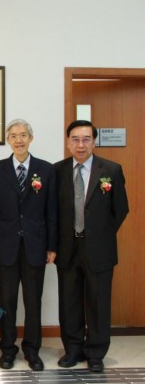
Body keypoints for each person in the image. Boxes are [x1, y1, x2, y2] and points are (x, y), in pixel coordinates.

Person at [55, 120, 129, 372]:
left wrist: (99, 233)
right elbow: (53, 212)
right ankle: (73, 349)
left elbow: (120, 210)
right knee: (69, 300)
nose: (80, 144)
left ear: (94, 142)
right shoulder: (58, 171)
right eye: (75, 139)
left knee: (98, 301)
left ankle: (96, 352)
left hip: (99, 248)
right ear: (67, 142)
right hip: (67, 247)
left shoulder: (111, 170)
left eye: (86, 139)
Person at [0, 120, 57, 371]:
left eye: (23, 135)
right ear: (8, 140)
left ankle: (32, 349)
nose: (19, 140)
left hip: (36, 246)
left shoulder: (46, 170)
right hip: (5, 246)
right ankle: (7, 349)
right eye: (14, 136)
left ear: (31, 138)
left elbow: (52, 211)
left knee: (33, 301)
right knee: (7, 302)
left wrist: (51, 245)